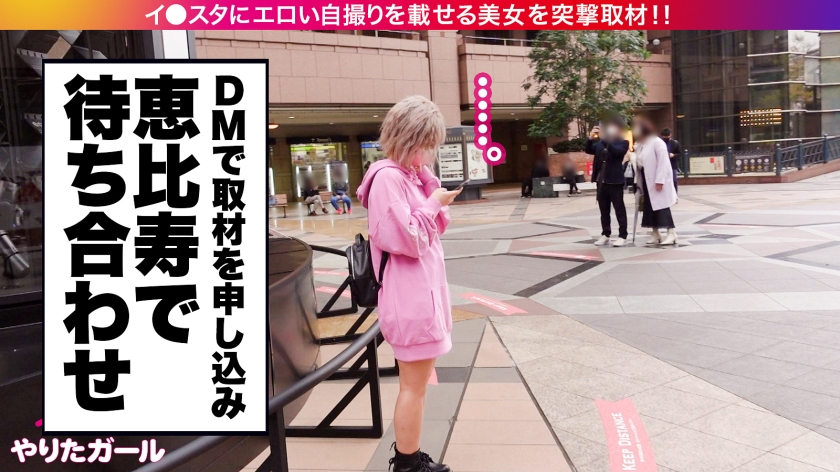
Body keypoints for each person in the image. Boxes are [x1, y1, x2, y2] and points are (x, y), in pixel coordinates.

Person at [356, 95, 460, 472]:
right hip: (410, 298)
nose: (431, 151)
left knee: (415, 386)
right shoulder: (388, 179)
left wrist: (430, 186)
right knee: (413, 387)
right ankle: (407, 464)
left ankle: (410, 457)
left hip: (422, 295)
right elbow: (409, 239)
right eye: (428, 143)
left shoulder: (409, 176)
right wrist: (432, 202)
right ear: (412, 139)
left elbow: (436, 228)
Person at [586, 116, 630, 247]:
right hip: (601, 181)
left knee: (619, 209)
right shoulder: (601, 143)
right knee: (604, 210)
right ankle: (605, 234)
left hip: (615, 181)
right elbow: (589, 149)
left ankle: (623, 235)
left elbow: (616, 152)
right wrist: (590, 138)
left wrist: (604, 139)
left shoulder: (623, 142)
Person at [636, 117, 678, 245]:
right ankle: (655, 233)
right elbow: (639, 162)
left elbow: (663, 162)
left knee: (662, 207)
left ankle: (671, 233)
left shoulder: (657, 142)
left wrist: (660, 180)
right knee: (649, 207)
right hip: (646, 180)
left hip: (657, 180)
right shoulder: (641, 145)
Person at [661, 128, 681, 194]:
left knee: (674, 180)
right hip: (663, 164)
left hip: (672, 164)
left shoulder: (675, 143)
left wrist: (673, 155)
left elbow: (679, 154)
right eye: (664, 136)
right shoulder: (660, 143)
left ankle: (674, 194)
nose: (666, 138)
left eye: (667, 136)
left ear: (670, 135)